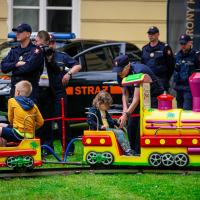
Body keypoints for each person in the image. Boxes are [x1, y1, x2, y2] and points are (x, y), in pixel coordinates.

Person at [35, 31, 81, 154]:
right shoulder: (38, 55)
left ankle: (68, 149)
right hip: (44, 92)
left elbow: (77, 66)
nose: (51, 45)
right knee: (45, 121)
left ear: (54, 43)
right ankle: (47, 148)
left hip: (58, 91)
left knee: (62, 120)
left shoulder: (61, 55)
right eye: (49, 43)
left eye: (52, 42)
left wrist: (68, 74)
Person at [113, 55, 164, 155]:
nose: (119, 73)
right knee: (131, 124)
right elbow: (125, 93)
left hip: (152, 96)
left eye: (121, 70)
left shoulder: (139, 72)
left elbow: (136, 98)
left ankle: (141, 152)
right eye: (117, 70)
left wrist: (126, 114)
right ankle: (132, 151)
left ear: (127, 66)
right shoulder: (120, 73)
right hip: (138, 97)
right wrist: (125, 111)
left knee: (142, 125)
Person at [0, 23, 43, 102]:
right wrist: (17, 64)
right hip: (15, 91)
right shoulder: (14, 50)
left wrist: (13, 68)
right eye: (16, 32)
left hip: (29, 93)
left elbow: (27, 68)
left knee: (27, 114)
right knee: (12, 113)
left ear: (28, 34)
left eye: (20, 31)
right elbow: (3, 67)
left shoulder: (36, 51)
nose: (17, 34)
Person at [87, 91, 133, 156]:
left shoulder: (104, 111)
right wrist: (100, 126)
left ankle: (125, 148)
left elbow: (110, 120)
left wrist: (117, 123)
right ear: (99, 103)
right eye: (106, 105)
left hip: (107, 129)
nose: (107, 107)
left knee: (122, 131)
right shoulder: (93, 111)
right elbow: (90, 121)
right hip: (99, 130)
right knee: (119, 132)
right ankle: (127, 150)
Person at [0, 80, 44, 146]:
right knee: (1, 125)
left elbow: (10, 118)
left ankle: (3, 151)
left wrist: (14, 125)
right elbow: (41, 122)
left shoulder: (12, 101)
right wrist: (31, 127)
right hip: (30, 135)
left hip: (18, 134)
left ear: (17, 92)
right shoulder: (33, 105)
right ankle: (4, 148)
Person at [141, 26, 175, 91]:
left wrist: (165, 78)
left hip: (161, 80)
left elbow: (171, 65)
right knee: (147, 101)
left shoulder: (164, 47)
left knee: (161, 100)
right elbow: (142, 65)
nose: (150, 36)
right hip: (147, 81)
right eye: (149, 34)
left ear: (158, 34)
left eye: (153, 34)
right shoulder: (144, 49)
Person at [173, 34, 200, 110]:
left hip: (190, 88)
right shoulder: (177, 55)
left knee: (187, 110)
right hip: (178, 88)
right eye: (181, 44)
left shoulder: (196, 55)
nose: (183, 46)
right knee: (179, 110)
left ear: (190, 43)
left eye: (184, 43)